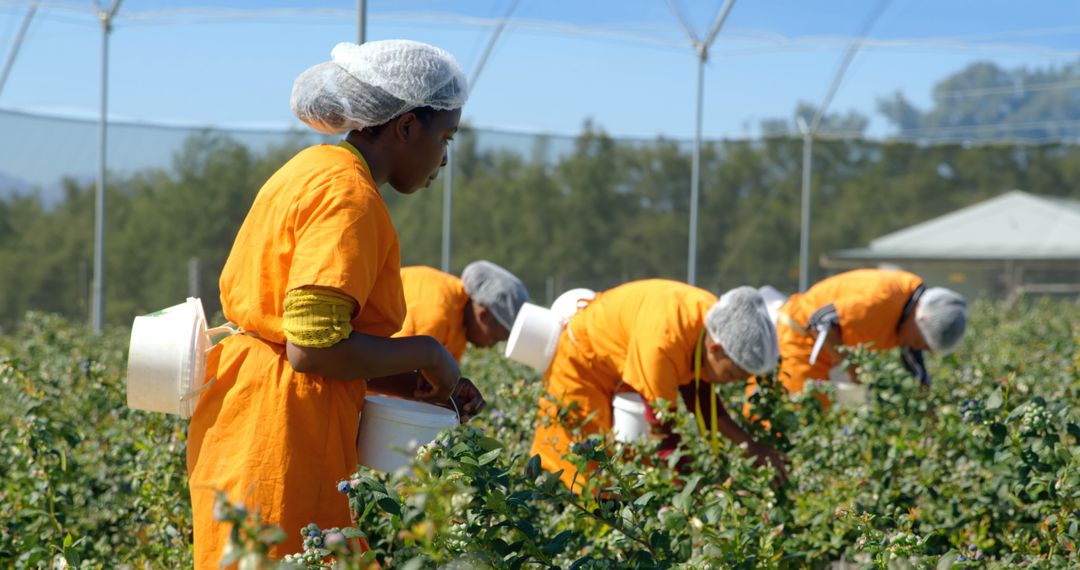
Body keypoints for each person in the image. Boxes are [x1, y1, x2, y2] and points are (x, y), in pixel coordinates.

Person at [186, 40, 485, 568]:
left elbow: (303, 340)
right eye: (446, 137)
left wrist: (405, 384)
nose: (444, 158)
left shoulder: (311, 169)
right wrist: (427, 354)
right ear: (406, 126)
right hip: (284, 431)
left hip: (248, 413)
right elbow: (310, 349)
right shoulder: (349, 197)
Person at [529, 280, 787, 491]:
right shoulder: (662, 344)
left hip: (620, 368)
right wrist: (691, 492)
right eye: (731, 374)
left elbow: (701, 398)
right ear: (716, 348)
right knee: (581, 470)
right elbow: (663, 432)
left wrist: (751, 447)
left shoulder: (708, 319)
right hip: (581, 365)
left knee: (625, 467)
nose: (730, 383)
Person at [754, 268, 967, 405]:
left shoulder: (910, 314)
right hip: (800, 338)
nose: (916, 346)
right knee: (800, 410)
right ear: (921, 320)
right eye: (921, 342)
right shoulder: (880, 299)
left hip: (829, 351)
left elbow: (915, 365)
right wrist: (852, 368)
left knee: (833, 409)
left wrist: (926, 404)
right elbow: (819, 320)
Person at [394, 261, 529, 362]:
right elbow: (392, 370)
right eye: (494, 338)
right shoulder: (438, 314)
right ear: (483, 315)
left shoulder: (461, 323)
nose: (491, 346)